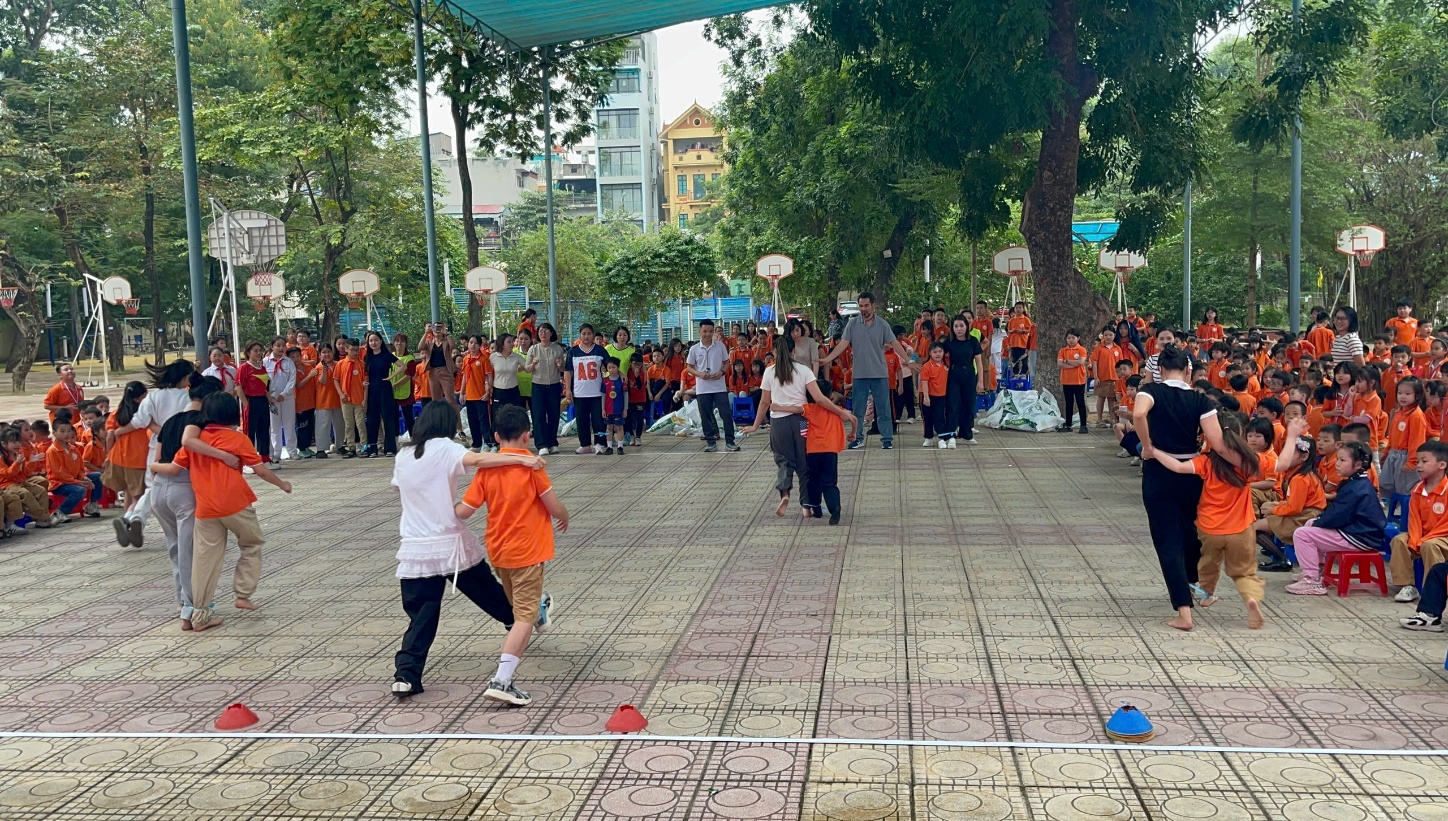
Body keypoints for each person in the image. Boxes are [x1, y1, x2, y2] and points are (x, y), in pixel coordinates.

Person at [389, 401, 548, 696]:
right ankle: (523, 619)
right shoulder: (445, 447)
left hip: (416, 548)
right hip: (449, 543)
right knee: (487, 592)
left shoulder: (404, 454)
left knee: (421, 614)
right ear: (446, 425)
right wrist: (521, 460)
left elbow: (399, 488)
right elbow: (478, 460)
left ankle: (406, 675)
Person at [456, 405, 567, 706]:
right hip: (529, 552)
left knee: (522, 604)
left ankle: (541, 609)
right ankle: (502, 680)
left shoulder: (487, 468)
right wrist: (564, 516)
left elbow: (465, 510)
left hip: (499, 552)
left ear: (495, 436)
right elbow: (551, 504)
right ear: (528, 435)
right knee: (523, 619)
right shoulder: (532, 465)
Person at [174, 392, 292, 631]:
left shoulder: (198, 439)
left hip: (206, 506)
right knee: (252, 544)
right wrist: (282, 484)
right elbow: (260, 470)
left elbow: (177, 465)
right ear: (231, 412)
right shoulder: (237, 438)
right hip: (235, 503)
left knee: (205, 559)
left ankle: (200, 615)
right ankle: (243, 594)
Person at [1134, 345, 1231, 631]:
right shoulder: (1201, 401)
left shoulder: (1150, 392)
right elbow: (1219, 443)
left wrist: (1148, 446)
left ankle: (1183, 611)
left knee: (1167, 540)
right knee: (1190, 534)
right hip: (1192, 473)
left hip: (1159, 472)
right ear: (1189, 370)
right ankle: (1189, 585)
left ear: (1159, 370)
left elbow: (1139, 414)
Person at [1151, 412, 1266, 629]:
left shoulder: (1205, 462)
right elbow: (1281, 463)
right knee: (1243, 570)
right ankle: (1251, 599)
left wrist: (1154, 451)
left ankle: (1206, 596)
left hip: (1210, 528)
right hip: (1241, 529)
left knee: (1207, 565)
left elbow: (1178, 467)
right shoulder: (1247, 464)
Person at [745, 335, 852, 517]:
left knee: (783, 461)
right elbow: (819, 399)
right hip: (801, 420)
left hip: (778, 422)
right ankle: (806, 506)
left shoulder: (769, 372)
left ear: (775, 352)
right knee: (804, 464)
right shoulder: (804, 371)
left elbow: (764, 403)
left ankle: (785, 493)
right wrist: (840, 412)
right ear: (794, 350)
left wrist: (755, 426)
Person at [148, 375, 225, 629]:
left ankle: (185, 607)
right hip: (186, 489)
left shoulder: (170, 422)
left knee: (177, 551)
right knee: (192, 553)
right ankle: (195, 612)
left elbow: (157, 459)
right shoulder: (204, 424)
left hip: (159, 490)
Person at [108, 359, 197, 546]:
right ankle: (179, 527)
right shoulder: (189, 398)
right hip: (182, 447)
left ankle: (135, 517)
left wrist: (119, 432)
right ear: (185, 376)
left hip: (156, 447)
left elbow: (139, 421)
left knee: (153, 487)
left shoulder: (154, 397)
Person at [1285, 440, 1386, 595]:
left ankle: (1312, 580)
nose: (1337, 464)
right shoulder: (1358, 482)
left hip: (1359, 536)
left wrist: (1321, 522)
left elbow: (1338, 516)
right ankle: (1316, 570)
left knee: (1302, 533)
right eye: (1337, 459)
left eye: (1342, 460)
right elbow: (1339, 514)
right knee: (1311, 523)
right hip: (1361, 533)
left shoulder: (1355, 487)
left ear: (1358, 465)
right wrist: (1318, 522)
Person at [820, 292, 916, 450]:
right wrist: (827, 359)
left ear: (873, 305)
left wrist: (908, 361)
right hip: (860, 374)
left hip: (879, 373)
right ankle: (857, 438)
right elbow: (843, 344)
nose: (863, 309)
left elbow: (895, 343)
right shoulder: (852, 324)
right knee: (858, 409)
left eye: (866, 305)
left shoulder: (883, 324)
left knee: (883, 408)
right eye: (861, 306)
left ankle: (887, 439)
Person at [1387, 440, 1448, 603]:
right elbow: (1413, 519)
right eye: (1417, 461)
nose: (1418, 465)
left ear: (1442, 464)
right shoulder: (1417, 489)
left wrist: (1424, 540)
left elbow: (1445, 525)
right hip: (1422, 536)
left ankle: (1435, 589)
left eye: (1424, 461)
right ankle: (1407, 585)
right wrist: (1415, 540)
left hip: (1443, 538)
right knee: (1399, 540)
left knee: (1431, 545)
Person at [803, 377, 856, 525]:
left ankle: (816, 507)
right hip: (831, 450)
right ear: (830, 395)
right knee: (829, 481)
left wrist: (776, 407)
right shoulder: (838, 411)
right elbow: (854, 419)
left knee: (812, 479)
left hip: (812, 450)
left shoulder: (808, 409)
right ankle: (835, 507)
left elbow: (796, 414)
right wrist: (853, 433)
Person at [687, 319, 739, 453]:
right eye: (705, 331)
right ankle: (711, 441)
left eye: (710, 331)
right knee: (706, 415)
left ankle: (730, 441)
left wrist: (721, 372)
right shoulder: (694, 349)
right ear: (699, 331)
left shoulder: (720, 346)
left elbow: (727, 362)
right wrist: (699, 374)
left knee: (726, 414)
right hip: (703, 388)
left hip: (719, 387)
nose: (707, 334)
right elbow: (689, 367)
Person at [103, 381, 150, 515]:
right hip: (138, 458)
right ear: (141, 396)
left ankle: (126, 519)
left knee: (128, 492)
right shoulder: (144, 412)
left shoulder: (116, 413)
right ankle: (129, 520)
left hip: (118, 457)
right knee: (138, 496)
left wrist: (108, 455)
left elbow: (110, 435)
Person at [940, 316, 985, 447]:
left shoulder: (973, 341)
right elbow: (938, 355)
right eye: (956, 326)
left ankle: (966, 434)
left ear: (967, 326)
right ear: (952, 328)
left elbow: (979, 363)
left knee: (969, 405)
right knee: (953, 405)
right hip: (953, 375)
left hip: (970, 375)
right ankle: (951, 433)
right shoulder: (949, 342)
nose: (959, 329)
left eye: (961, 326)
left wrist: (980, 381)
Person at [564, 324, 609, 455]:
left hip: (597, 392)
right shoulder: (573, 351)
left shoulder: (600, 350)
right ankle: (585, 444)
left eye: (589, 333)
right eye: (584, 333)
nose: (586, 336)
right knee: (581, 420)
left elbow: (610, 366)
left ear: (593, 335)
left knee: (599, 420)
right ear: (580, 335)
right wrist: (568, 389)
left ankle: (600, 443)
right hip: (579, 392)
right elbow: (568, 371)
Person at [523, 323, 566, 455]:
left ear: (551, 333)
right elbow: (527, 369)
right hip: (538, 386)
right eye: (541, 331)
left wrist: (560, 365)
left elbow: (563, 369)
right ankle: (541, 444)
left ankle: (552, 442)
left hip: (553, 385)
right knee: (539, 415)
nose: (543, 333)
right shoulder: (533, 349)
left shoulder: (557, 348)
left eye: (546, 331)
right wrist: (533, 364)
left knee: (554, 414)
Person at [362, 331, 399, 457]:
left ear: (381, 341)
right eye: (371, 341)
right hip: (372, 390)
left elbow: (402, 366)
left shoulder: (386, 355)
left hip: (385, 389)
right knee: (372, 418)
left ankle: (390, 448)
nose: (373, 343)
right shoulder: (367, 357)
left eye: (376, 340)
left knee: (388, 417)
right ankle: (372, 449)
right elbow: (364, 373)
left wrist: (390, 377)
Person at [46, 420, 90, 525]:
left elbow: (80, 467)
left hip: (74, 480)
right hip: (59, 483)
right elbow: (59, 473)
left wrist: (83, 477)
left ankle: (91, 505)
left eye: (69, 431)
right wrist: (77, 482)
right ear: (54, 433)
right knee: (79, 490)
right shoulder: (52, 451)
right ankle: (60, 512)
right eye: (62, 431)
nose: (66, 434)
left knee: (97, 477)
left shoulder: (73, 448)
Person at [237, 342, 271, 462]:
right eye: (255, 351)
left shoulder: (262, 367)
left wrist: (270, 401)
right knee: (249, 431)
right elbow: (238, 387)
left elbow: (265, 387)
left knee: (263, 430)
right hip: (251, 401)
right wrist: (245, 403)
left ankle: (265, 457)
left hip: (262, 401)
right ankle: (248, 460)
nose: (258, 353)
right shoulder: (244, 368)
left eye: (259, 350)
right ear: (248, 353)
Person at [264, 337, 297, 460]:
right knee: (274, 426)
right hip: (271, 399)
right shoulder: (265, 362)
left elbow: (292, 380)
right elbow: (264, 381)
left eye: (283, 345)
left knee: (289, 424)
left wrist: (284, 394)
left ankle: (292, 451)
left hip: (287, 398)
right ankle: (276, 452)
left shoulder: (289, 362)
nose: (281, 348)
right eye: (278, 345)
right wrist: (270, 396)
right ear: (272, 346)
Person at [419, 322, 460, 421]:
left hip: (445, 370)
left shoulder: (446, 341)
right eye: (435, 327)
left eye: (439, 327)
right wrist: (426, 333)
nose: (437, 330)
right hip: (433, 372)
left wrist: (446, 333)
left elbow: (453, 346)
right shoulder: (429, 342)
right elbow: (420, 347)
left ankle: (458, 427)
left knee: (450, 400)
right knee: (435, 400)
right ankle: (438, 424)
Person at [1057, 329, 1089, 434]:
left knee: (1080, 403)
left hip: (1079, 380)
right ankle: (1068, 424)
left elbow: (1081, 362)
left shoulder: (1082, 349)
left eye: (1073, 338)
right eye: (1068, 338)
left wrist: (1067, 362)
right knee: (1069, 403)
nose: (1071, 340)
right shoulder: (1063, 350)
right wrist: (1073, 364)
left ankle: (1083, 425)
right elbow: (1060, 364)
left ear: (1078, 338)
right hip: (1067, 380)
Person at [919, 342, 949, 448]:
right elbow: (924, 382)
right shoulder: (926, 366)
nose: (938, 354)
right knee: (927, 418)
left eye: (940, 351)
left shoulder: (946, 365)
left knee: (940, 417)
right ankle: (928, 438)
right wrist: (926, 397)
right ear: (930, 353)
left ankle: (942, 438)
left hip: (941, 396)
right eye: (935, 352)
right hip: (927, 395)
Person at [390, 334, 416, 438]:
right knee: (394, 418)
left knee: (409, 417)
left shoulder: (410, 359)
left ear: (406, 344)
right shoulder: (390, 357)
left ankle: (414, 440)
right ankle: (395, 442)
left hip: (406, 392)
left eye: (402, 341)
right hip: (392, 394)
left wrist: (394, 385)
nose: (399, 343)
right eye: (397, 341)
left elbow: (408, 376)